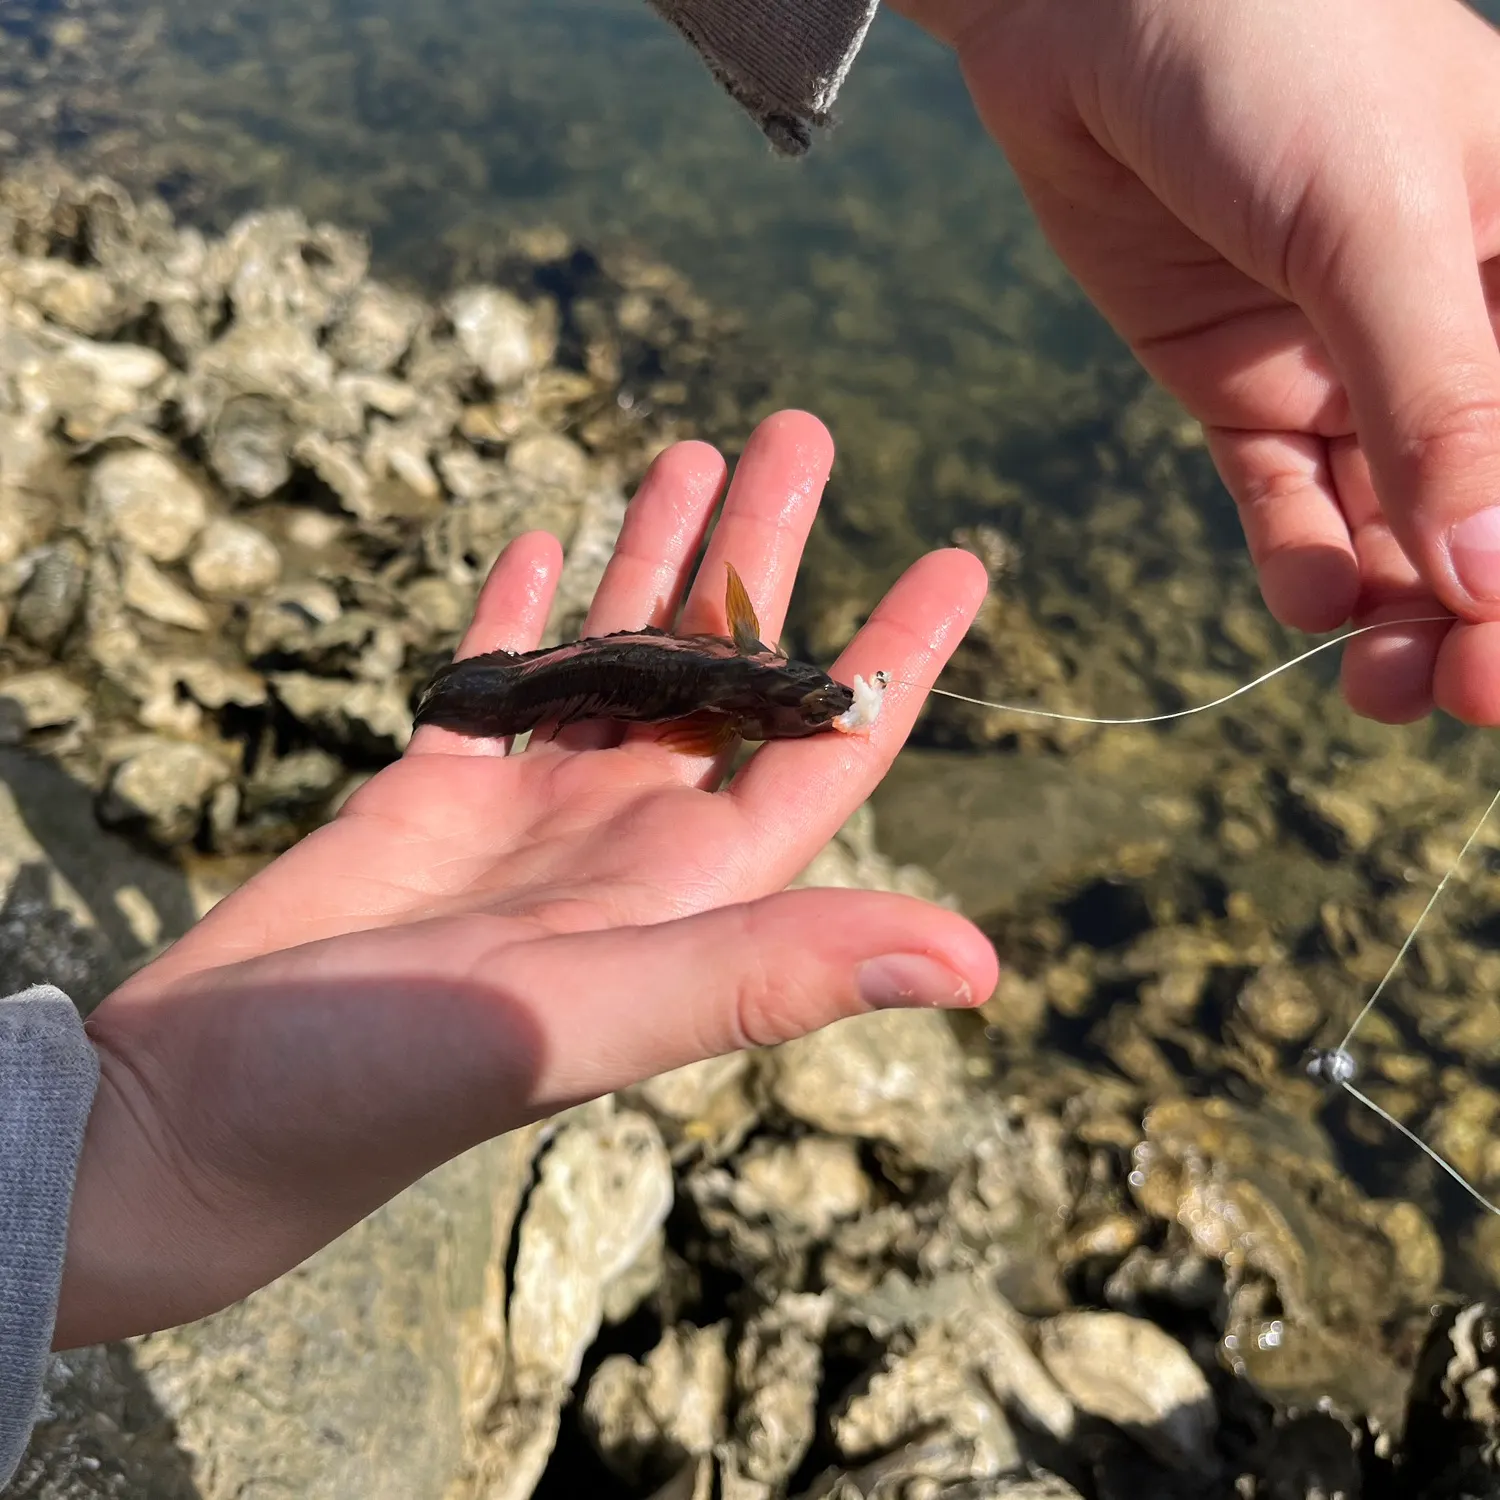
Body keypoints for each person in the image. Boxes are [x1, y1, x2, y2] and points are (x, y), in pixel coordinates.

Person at [6, 0, 1500, 1477]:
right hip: (591, 703)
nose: (819, 710)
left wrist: (118, 1154)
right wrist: (131, 1157)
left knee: (599, 661)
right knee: (592, 666)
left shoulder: (726, 693)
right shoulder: (721, 696)